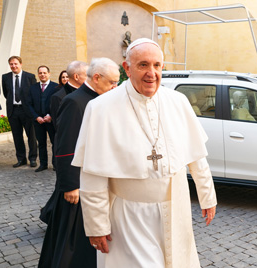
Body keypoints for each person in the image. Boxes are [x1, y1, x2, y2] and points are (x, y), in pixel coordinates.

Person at [72, 38, 217, 268]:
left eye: (157, 65)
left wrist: (207, 196)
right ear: (127, 68)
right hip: (130, 216)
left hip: (175, 208)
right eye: (143, 65)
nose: (152, 73)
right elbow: (93, 174)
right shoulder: (101, 108)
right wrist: (96, 225)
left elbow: (196, 154)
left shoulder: (178, 102)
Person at [38, 58, 119, 268]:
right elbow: (64, 146)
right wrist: (70, 185)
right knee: (72, 242)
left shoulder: (101, 99)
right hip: (78, 185)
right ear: (97, 78)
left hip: (95, 180)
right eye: (112, 82)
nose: (114, 87)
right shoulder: (75, 101)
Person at [2, 56, 38, 168]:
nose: (13, 66)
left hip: (26, 110)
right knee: (17, 136)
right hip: (13, 110)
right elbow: (5, 93)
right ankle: (21, 159)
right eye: (11, 64)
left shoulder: (30, 77)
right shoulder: (5, 77)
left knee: (31, 136)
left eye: (15, 64)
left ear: (21, 64)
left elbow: (34, 94)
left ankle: (32, 159)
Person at [25, 65, 58, 172]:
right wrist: (36, 117)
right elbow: (29, 104)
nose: (42, 75)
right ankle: (43, 164)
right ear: (38, 74)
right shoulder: (33, 88)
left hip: (51, 120)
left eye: (44, 73)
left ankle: (55, 164)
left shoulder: (56, 87)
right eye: (40, 73)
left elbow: (57, 105)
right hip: (38, 121)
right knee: (41, 143)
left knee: (55, 142)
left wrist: (50, 116)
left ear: (49, 74)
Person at [50, 61, 88, 131]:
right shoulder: (58, 97)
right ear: (76, 76)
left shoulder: (87, 93)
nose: (89, 78)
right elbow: (60, 127)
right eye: (87, 75)